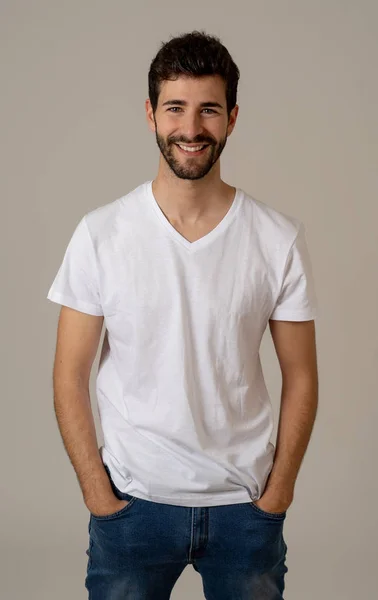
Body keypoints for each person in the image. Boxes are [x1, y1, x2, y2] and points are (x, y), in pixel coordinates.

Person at [47, 29, 319, 600]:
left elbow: (302, 376)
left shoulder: (277, 238)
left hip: (245, 509)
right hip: (133, 504)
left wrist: (279, 492)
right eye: (175, 108)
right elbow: (69, 374)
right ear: (150, 114)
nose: (191, 129)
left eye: (208, 110)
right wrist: (99, 494)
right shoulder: (102, 234)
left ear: (232, 118)